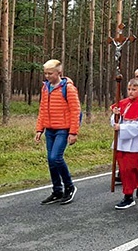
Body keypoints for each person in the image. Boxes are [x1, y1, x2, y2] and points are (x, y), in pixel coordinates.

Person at [35, 59, 81, 205]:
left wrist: (73, 132)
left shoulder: (68, 88)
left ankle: (69, 187)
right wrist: (39, 129)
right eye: (45, 73)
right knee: (51, 160)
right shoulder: (45, 88)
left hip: (63, 128)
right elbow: (42, 110)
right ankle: (57, 190)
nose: (47, 76)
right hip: (49, 129)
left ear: (59, 73)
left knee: (56, 157)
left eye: (50, 73)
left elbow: (76, 111)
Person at [110, 79, 138, 209]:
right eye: (129, 89)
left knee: (131, 168)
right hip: (121, 142)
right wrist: (115, 116)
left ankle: (128, 197)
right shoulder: (123, 103)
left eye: (134, 89)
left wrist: (121, 128)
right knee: (123, 169)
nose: (131, 92)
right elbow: (115, 120)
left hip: (134, 143)